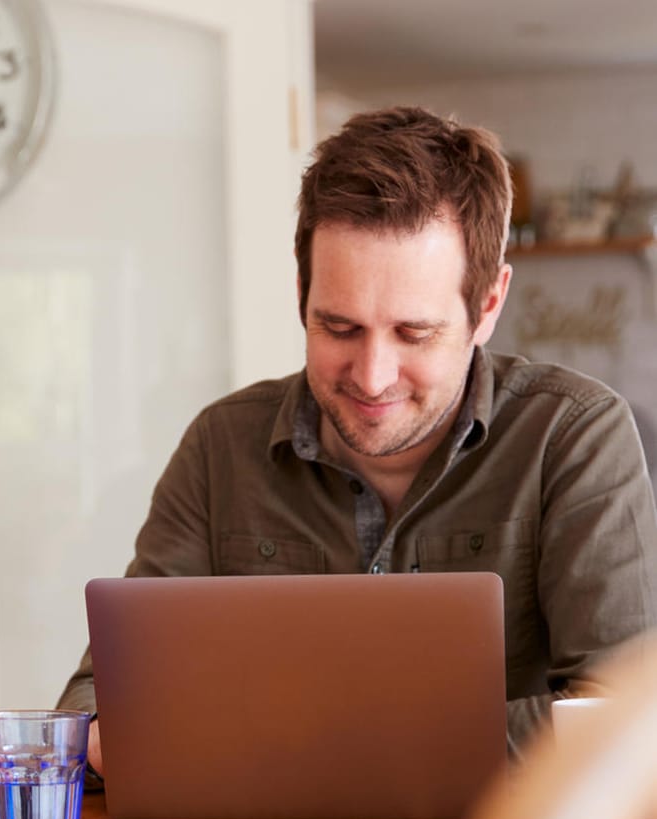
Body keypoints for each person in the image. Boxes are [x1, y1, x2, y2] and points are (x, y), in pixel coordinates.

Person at [58, 106, 657, 771]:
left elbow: (623, 721)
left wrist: (311, 743)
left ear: (487, 306)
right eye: (339, 328)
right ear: (301, 299)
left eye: (414, 334)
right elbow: (97, 706)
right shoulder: (220, 446)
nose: (372, 378)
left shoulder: (573, 436)